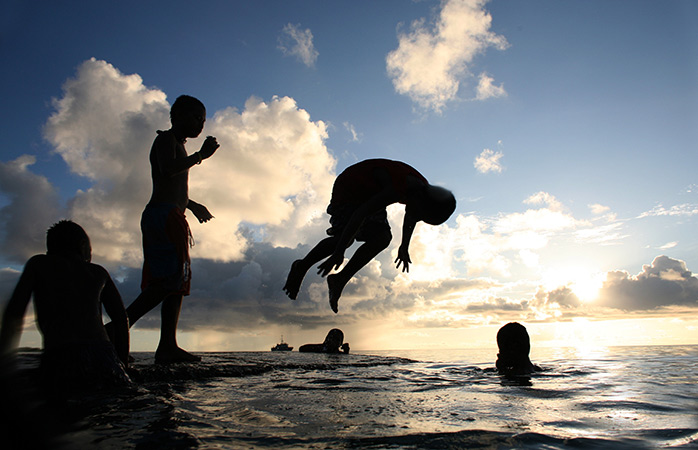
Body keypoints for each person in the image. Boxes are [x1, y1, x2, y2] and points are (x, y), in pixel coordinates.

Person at [283, 158, 456, 313]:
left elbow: (411, 216)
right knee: (345, 238)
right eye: (419, 213)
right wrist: (338, 252)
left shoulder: (419, 191)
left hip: (371, 194)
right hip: (349, 189)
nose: (415, 217)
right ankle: (301, 266)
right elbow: (360, 214)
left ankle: (339, 279)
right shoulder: (397, 188)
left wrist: (404, 246)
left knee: (382, 238)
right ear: (420, 199)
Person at [123, 95, 219, 363]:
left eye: (202, 120)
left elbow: (174, 187)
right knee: (165, 282)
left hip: (174, 215)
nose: (200, 124)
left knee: (176, 284)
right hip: (162, 216)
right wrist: (201, 156)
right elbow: (167, 171)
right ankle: (115, 331)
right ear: (177, 116)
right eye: (195, 118)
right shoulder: (165, 139)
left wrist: (193, 205)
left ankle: (167, 345)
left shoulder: (179, 145)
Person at [0, 220, 131, 389]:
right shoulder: (99, 272)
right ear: (83, 246)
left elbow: (15, 313)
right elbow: (121, 320)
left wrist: (5, 362)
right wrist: (124, 364)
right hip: (103, 355)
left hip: (60, 354)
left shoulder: (38, 264)